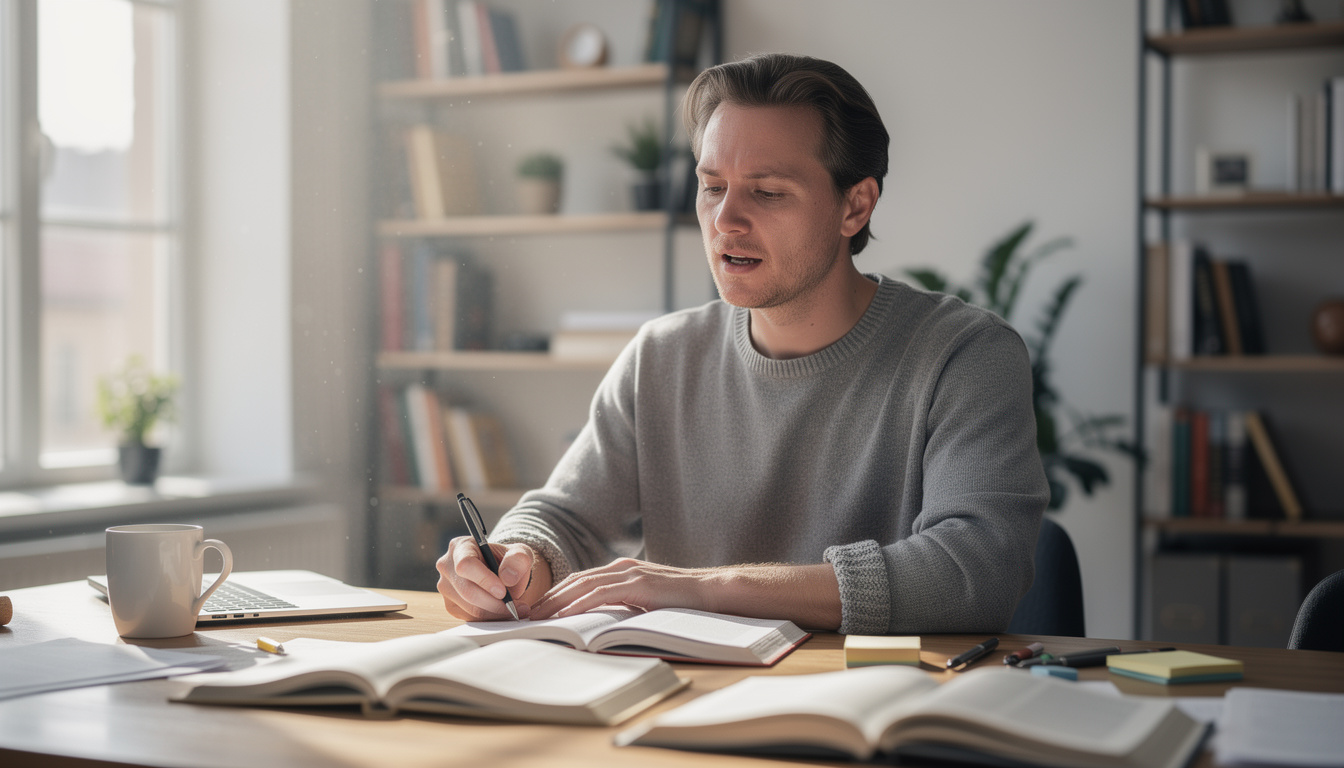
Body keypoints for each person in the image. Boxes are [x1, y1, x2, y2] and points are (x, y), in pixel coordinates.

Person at [436, 53, 1049, 635]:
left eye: (768, 191)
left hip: (865, 711)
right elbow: (563, 517)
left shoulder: (965, 355)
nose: (726, 220)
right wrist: (516, 560)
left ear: (855, 207)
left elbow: (977, 570)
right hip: (682, 705)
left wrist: (705, 588)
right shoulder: (662, 356)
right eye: (711, 186)